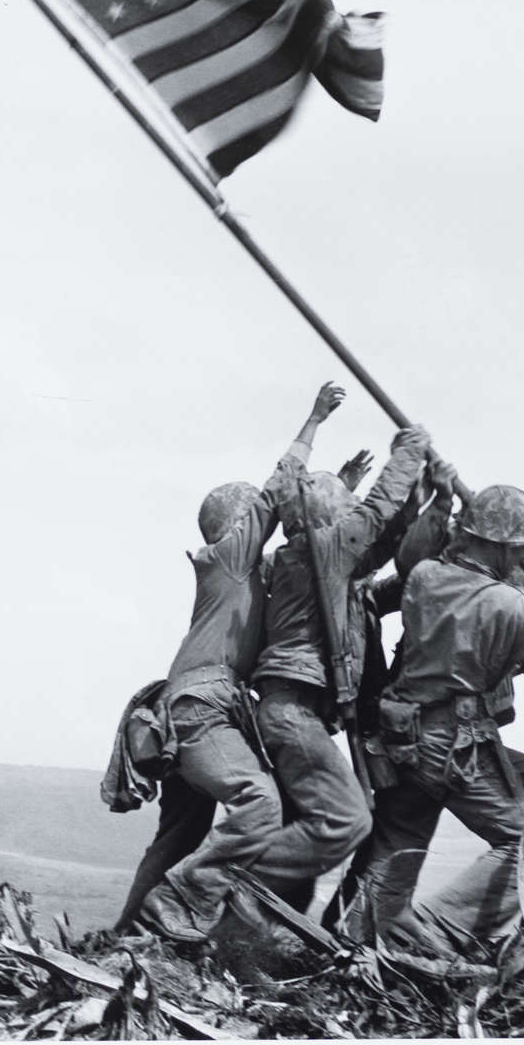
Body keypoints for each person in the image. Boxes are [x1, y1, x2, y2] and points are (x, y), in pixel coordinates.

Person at [347, 483, 524, 952]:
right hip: (452, 744)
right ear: (498, 544)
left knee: (402, 842)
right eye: (518, 548)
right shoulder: (508, 606)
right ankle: (435, 933)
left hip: (405, 736)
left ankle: (360, 937)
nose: (521, 557)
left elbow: (496, 648)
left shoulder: (426, 577)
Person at [122, 382, 348, 941]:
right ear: (238, 524)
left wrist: (341, 491)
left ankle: (129, 935)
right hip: (202, 710)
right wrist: (314, 420)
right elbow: (277, 493)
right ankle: (179, 907)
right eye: (255, 519)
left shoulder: (240, 575)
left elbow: (308, 540)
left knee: (178, 834)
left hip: (185, 711)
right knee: (259, 803)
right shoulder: (227, 558)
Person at [245, 423, 435, 910]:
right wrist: (408, 452)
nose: (353, 519)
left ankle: (249, 930)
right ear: (329, 518)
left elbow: (385, 541)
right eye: (344, 510)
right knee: (347, 821)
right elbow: (375, 516)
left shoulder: (313, 560)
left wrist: (424, 496)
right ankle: (233, 882)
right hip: (293, 712)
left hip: (295, 711)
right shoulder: (321, 549)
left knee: (306, 838)